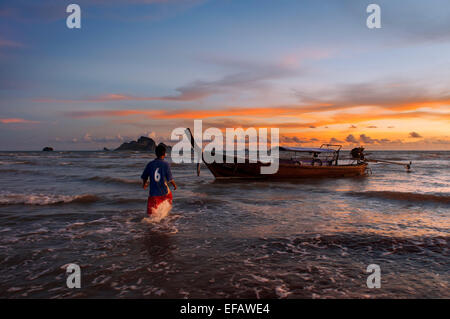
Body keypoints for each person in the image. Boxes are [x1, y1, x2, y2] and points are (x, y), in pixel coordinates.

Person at [141, 144, 177, 216]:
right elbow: (170, 178)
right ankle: (164, 216)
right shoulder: (166, 164)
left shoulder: (150, 164)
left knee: (150, 215)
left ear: (156, 154)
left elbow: (144, 176)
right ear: (164, 154)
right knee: (169, 197)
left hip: (153, 194)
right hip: (164, 193)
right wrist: (174, 185)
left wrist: (144, 184)